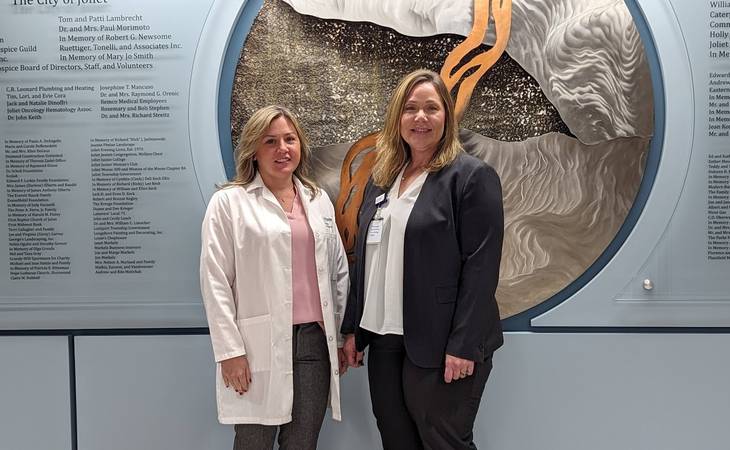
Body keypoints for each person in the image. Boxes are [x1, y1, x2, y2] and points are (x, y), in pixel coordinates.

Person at [341, 69, 504, 450]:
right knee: (397, 442)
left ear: (446, 116)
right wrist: (353, 329)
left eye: (431, 108)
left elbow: (482, 267)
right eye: (411, 108)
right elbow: (365, 262)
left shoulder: (470, 177)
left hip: (442, 343)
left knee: (443, 441)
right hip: (385, 339)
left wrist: (463, 344)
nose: (420, 117)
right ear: (397, 117)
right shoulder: (382, 180)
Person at [200, 105, 349, 450]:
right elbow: (215, 281)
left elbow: (338, 273)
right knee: (254, 441)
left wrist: (339, 338)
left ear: (301, 146)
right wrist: (229, 351)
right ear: (254, 150)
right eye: (271, 141)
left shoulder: (318, 200)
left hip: (314, 342)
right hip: (256, 346)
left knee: (302, 442)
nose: (283, 149)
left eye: (289, 139)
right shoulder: (229, 203)